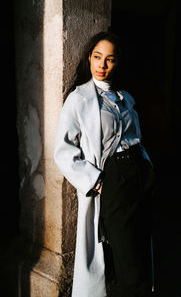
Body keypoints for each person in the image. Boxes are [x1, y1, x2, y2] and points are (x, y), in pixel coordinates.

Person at [54, 31, 156, 297]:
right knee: (125, 252)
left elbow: (135, 137)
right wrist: (95, 179)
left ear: (117, 62)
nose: (102, 65)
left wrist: (147, 166)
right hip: (112, 179)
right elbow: (63, 151)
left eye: (109, 59)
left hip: (138, 174)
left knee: (141, 243)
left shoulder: (125, 98)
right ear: (89, 58)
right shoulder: (79, 99)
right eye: (97, 57)